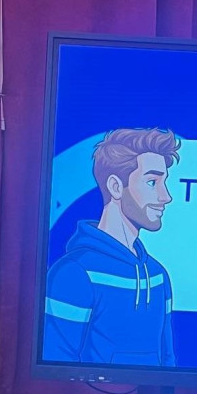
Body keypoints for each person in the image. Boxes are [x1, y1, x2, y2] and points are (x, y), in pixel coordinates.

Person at [43, 127, 179, 366]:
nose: (166, 196)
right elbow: (57, 364)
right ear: (116, 187)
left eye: (164, 182)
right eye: (152, 182)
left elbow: (168, 362)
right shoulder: (74, 273)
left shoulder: (158, 275)